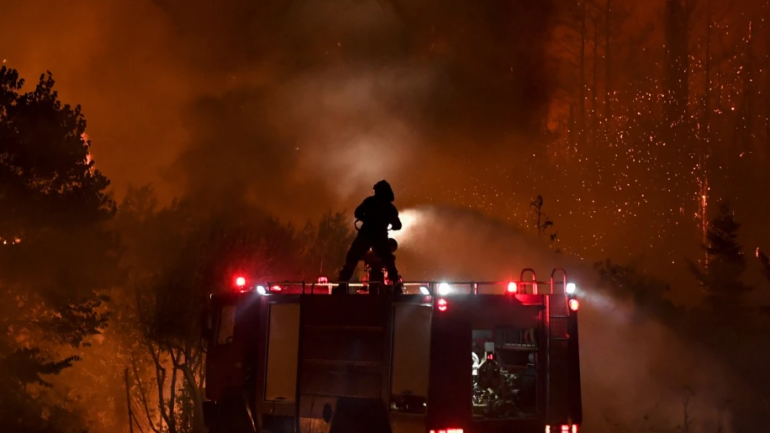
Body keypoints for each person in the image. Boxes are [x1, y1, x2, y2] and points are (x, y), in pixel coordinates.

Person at [335, 180, 402, 294]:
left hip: (365, 235)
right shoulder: (390, 207)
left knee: (352, 257)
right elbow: (398, 225)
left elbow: (357, 213)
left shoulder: (369, 202)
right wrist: (388, 223)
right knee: (388, 261)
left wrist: (366, 218)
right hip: (380, 238)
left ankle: (342, 285)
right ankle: (396, 286)